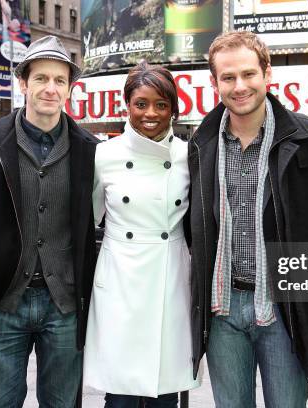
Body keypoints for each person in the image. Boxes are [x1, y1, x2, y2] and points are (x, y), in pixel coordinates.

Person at [0, 35, 98, 407]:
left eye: (59, 81)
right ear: (23, 83)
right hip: (2, 302)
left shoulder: (92, 151)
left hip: (63, 304)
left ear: (69, 88)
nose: (50, 88)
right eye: (41, 79)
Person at [188, 31, 308, 407]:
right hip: (223, 307)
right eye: (228, 77)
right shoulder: (201, 145)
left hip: (284, 308)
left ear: (267, 74)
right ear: (214, 83)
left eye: (249, 74)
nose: (240, 86)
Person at [83, 62, 201, 408]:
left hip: (170, 277)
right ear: (127, 106)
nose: (151, 114)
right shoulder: (103, 155)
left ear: (173, 110)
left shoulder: (189, 154)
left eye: (161, 105)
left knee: (165, 391)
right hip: (120, 281)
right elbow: (86, 220)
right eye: (141, 104)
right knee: (119, 393)